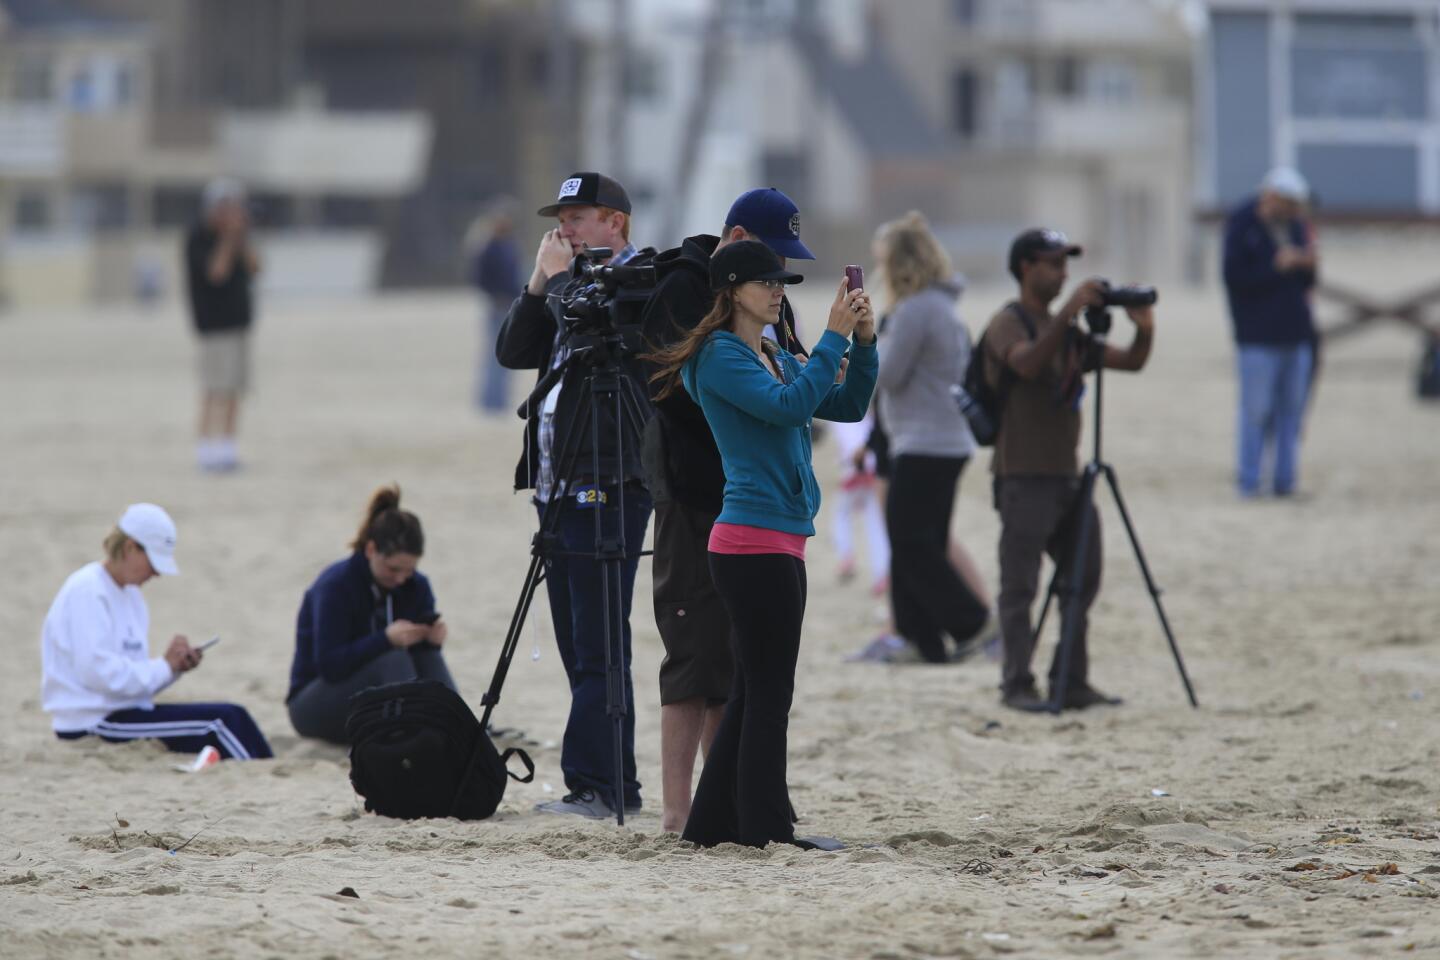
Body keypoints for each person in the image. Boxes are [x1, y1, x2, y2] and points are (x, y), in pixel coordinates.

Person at [646, 240, 877, 848]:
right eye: (767, 283)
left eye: (782, 283)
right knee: (770, 695)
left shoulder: (770, 351)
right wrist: (830, 338)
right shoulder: (719, 357)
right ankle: (766, 829)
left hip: (779, 540)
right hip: (751, 543)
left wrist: (864, 343)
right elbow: (788, 407)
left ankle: (715, 823)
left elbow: (846, 405)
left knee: (752, 692)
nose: (779, 291)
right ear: (730, 290)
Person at [638, 186, 813, 833]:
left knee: (743, 667)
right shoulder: (686, 294)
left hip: (762, 506)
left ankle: (730, 799)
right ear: (737, 240)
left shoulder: (771, 301)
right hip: (693, 496)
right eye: (771, 257)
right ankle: (680, 811)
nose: (779, 278)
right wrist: (758, 398)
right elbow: (676, 391)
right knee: (693, 656)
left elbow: (795, 389)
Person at [496, 172, 655, 819]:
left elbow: (610, 336)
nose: (564, 228)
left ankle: (600, 786)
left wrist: (562, 284)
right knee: (576, 643)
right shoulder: (568, 286)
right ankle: (610, 780)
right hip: (559, 488)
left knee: (599, 644)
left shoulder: (638, 283)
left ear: (615, 221)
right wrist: (541, 281)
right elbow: (513, 349)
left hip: (611, 482)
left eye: (579, 216)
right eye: (560, 217)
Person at [984, 229, 1154, 711]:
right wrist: (1070, 311)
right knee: (1020, 586)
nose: (1063, 274)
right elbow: (1028, 365)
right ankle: (1016, 684)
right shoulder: (1008, 324)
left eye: (1066, 265)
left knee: (1084, 576)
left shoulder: (1070, 335)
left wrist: (1144, 327)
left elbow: (1131, 361)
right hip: (1021, 475)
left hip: (1067, 476)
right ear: (1024, 268)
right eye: (1053, 264)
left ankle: (1071, 679)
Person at [41, 504, 272, 760]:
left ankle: (270, 769)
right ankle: (264, 777)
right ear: (129, 547)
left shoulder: (131, 596)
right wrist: (164, 666)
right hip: (92, 722)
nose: (158, 572)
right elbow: (100, 675)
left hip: (122, 712)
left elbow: (130, 683)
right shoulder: (87, 590)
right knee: (220, 723)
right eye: (154, 561)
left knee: (235, 714)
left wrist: (174, 668)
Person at [870, 211, 991, 665]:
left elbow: (889, 374)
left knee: (909, 539)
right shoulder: (941, 306)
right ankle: (922, 642)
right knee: (918, 538)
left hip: (926, 442)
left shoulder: (917, 310)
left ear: (900, 264)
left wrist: (859, 359)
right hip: (941, 441)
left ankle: (972, 622)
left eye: (882, 262)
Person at [287, 486, 457, 744]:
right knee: (392, 658)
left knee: (427, 659)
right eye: (393, 569)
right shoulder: (336, 585)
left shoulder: (417, 585)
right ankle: (412, 736)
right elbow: (330, 666)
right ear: (370, 550)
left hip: (378, 697)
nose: (401, 578)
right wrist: (385, 639)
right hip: (313, 703)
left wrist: (430, 644)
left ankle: (457, 729)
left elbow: (421, 664)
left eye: (409, 571)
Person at [1223, 166, 1318, 498]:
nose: (1294, 211)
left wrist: (1305, 265)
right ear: (1271, 196)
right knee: (1255, 412)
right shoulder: (1242, 223)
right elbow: (1234, 278)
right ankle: (1249, 482)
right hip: (1256, 337)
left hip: (1296, 333)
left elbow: (1308, 281)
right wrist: (1276, 266)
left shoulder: (1296, 227)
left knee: (1291, 413)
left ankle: (1285, 482)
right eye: (1289, 203)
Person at [185, 177, 260, 473]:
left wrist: (241, 240)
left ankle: (227, 448)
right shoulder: (199, 237)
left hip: (238, 324)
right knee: (213, 389)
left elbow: (256, 269)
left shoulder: (239, 239)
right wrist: (228, 240)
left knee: (234, 390)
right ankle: (206, 449)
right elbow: (216, 273)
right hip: (213, 328)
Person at [467, 198, 522, 413]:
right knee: (494, 355)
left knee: (506, 354)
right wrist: (495, 295)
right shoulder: (488, 247)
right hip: (497, 305)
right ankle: (490, 402)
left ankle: (499, 401)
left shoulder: (509, 244)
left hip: (511, 304)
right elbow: (479, 278)